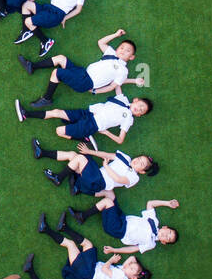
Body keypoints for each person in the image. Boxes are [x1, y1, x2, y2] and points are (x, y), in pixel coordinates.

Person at [19, 29, 141, 104]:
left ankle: (47, 99)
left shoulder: (123, 70)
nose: (123, 51)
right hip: (82, 72)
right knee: (61, 58)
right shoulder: (111, 53)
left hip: (86, 82)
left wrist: (95, 91)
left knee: (57, 73)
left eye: (128, 51)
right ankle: (32, 66)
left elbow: (112, 86)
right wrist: (115, 35)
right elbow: (101, 42)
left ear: (131, 57)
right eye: (122, 47)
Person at [35, 220, 150, 279]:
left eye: (131, 268)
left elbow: (105, 269)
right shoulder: (125, 273)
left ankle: (45, 229)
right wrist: (133, 268)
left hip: (87, 272)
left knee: (70, 244)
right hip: (92, 267)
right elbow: (132, 257)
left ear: (133, 277)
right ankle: (64, 227)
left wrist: (112, 260)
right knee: (87, 244)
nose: (128, 265)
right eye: (131, 265)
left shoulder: (120, 277)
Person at [16, 87, 150, 145]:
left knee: (59, 131)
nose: (139, 109)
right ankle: (26, 114)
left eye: (141, 111)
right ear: (136, 100)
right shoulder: (123, 99)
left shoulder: (129, 119)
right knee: (57, 112)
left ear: (138, 115)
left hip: (92, 125)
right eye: (141, 106)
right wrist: (133, 80)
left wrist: (106, 133)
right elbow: (117, 86)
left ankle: (84, 137)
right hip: (88, 112)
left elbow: (120, 140)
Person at [15, 0, 97, 55]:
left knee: (28, 21)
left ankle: (46, 41)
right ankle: (26, 31)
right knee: (26, 5)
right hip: (48, 8)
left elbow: (78, 9)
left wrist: (65, 18)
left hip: (56, 15)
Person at [65, 196, 179, 255]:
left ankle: (82, 216)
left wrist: (115, 250)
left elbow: (133, 249)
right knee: (110, 194)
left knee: (107, 202)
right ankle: (78, 185)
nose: (166, 235)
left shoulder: (151, 243)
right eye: (168, 232)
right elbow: (150, 203)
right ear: (165, 227)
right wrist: (167, 203)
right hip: (122, 218)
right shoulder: (155, 221)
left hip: (119, 230)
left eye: (167, 238)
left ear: (163, 242)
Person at [41, 144, 158, 195]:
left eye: (141, 163)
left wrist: (106, 166)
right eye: (139, 158)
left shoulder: (134, 177)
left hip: (98, 182)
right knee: (73, 155)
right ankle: (42, 153)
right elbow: (106, 155)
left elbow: (118, 178)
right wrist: (89, 151)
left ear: (142, 171)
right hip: (95, 174)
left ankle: (58, 178)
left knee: (80, 159)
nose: (137, 161)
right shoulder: (125, 157)